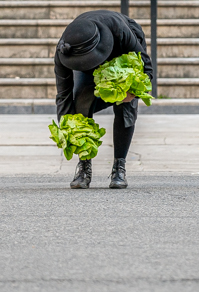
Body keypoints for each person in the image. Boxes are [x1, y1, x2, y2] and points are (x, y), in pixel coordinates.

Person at [54, 10, 154, 189]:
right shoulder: (66, 50)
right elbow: (64, 95)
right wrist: (68, 129)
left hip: (121, 51)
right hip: (85, 50)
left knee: (126, 104)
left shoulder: (120, 30)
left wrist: (132, 93)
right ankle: (84, 167)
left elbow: (147, 69)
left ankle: (119, 167)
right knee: (80, 101)